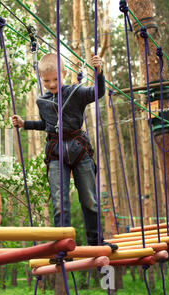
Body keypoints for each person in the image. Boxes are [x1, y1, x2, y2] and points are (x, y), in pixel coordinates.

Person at [11, 53, 117, 251]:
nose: (51, 84)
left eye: (55, 79)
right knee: (60, 202)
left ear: (64, 73)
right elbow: (46, 124)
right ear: (41, 79)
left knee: (90, 199)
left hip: (79, 150)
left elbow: (98, 93)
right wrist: (25, 124)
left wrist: (99, 72)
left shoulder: (76, 92)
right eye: (46, 81)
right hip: (55, 152)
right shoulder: (42, 101)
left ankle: (96, 241)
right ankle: (63, 244)